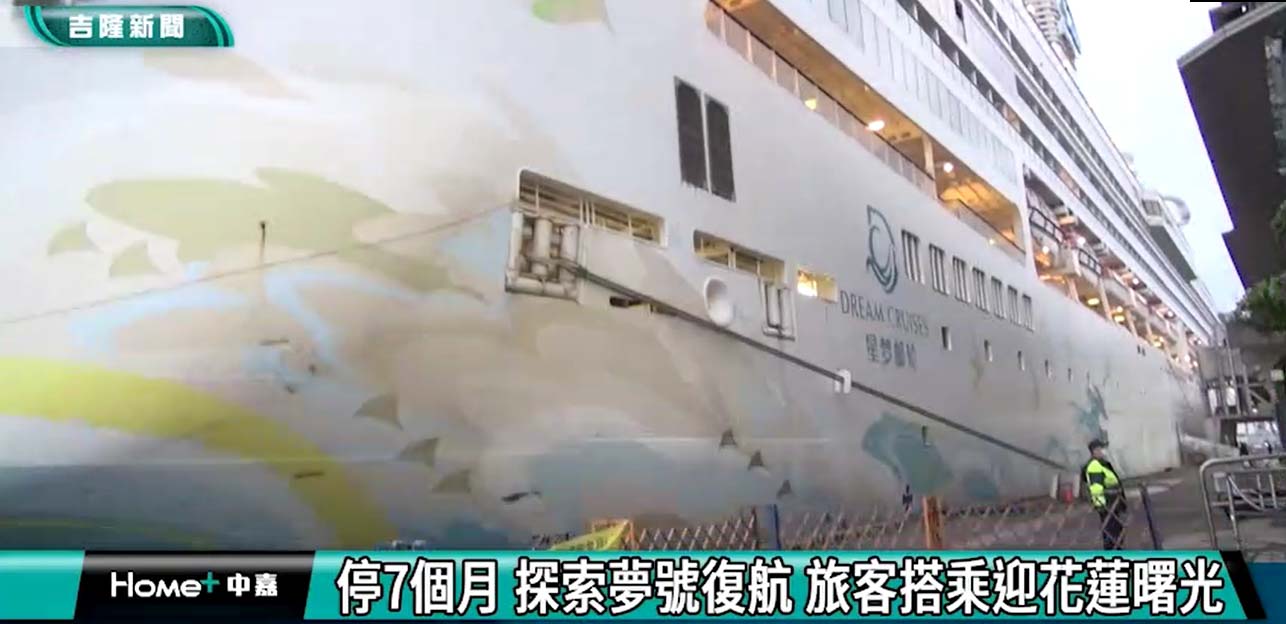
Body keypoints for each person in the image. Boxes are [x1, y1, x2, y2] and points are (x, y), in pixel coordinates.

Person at [1083, 439, 1127, 550]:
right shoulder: (1094, 465)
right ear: (1095, 451)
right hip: (1107, 505)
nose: (1103, 451)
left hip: (1113, 502)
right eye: (1101, 448)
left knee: (1116, 531)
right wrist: (1102, 506)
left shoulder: (1102, 463)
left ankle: (1117, 551)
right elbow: (1096, 488)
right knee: (1111, 532)